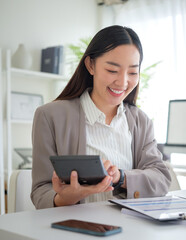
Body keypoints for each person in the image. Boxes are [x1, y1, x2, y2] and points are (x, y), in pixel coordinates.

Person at [31, 25, 171, 209]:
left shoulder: (140, 121)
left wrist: (121, 177)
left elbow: (161, 178)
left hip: (130, 228)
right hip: (75, 229)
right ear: (90, 65)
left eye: (132, 72)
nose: (122, 82)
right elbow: (41, 191)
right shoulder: (50, 116)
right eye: (112, 70)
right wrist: (67, 197)